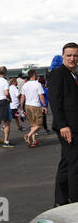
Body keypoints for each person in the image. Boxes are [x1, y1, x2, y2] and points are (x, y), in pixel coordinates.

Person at [48, 42, 78, 206]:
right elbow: (55, 101)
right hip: (68, 127)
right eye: (69, 55)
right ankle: (75, 201)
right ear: (63, 56)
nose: (72, 58)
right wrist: (63, 125)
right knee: (75, 165)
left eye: (75, 55)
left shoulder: (74, 74)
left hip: (73, 126)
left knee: (66, 162)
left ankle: (60, 200)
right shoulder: (58, 73)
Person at [20, 69, 47, 148]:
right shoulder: (37, 84)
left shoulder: (25, 85)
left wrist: (21, 107)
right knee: (39, 124)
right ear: (34, 75)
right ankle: (28, 135)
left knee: (33, 124)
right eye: (37, 73)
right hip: (35, 105)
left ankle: (33, 141)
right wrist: (44, 106)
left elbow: (22, 97)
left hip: (27, 105)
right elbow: (41, 96)